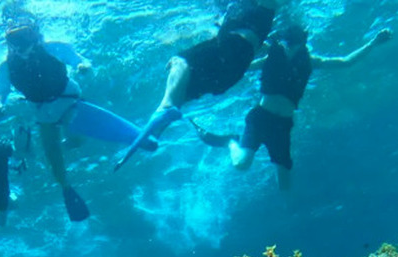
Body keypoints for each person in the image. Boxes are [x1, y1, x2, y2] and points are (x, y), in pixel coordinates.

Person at [192, 25, 392, 190]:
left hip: (283, 125)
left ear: (301, 45)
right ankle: (230, 142)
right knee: (241, 164)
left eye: (294, 45)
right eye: (287, 44)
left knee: (284, 186)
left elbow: (346, 61)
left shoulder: (311, 61)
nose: (289, 49)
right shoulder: (269, 58)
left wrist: (373, 43)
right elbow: (240, 67)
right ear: (283, 42)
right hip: (261, 118)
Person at [0, 19, 156, 221]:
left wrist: (83, 66)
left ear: (35, 36)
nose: (20, 46)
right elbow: (1, 91)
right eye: (15, 41)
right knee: (52, 155)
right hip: (43, 113)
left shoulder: (54, 47)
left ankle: (67, 143)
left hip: (68, 101)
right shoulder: (6, 67)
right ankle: (66, 187)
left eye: (24, 38)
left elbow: (79, 59)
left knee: (77, 141)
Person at [115, 0, 284, 170]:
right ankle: (161, 122)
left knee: (181, 63)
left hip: (229, 61)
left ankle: (165, 111)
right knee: (187, 77)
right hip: (232, 73)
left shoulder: (245, 13)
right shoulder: (260, 16)